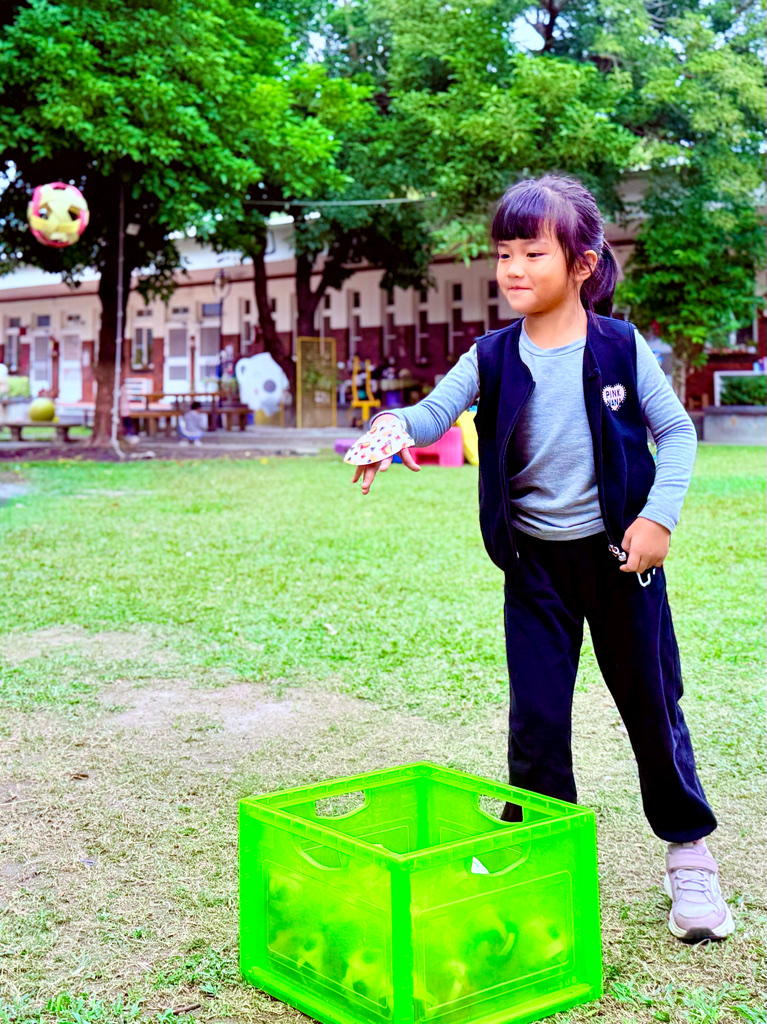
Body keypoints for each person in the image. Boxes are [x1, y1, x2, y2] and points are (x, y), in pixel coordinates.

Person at [348, 175, 733, 944]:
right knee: (536, 721)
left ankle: (688, 853)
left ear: (581, 264)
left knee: (652, 707)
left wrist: (657, 517)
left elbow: (676, 432)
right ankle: (538, 855)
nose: (513, 268)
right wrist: (394, 426)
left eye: (532, 252)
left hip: (620, 563)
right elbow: (434, 411)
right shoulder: (491, 355)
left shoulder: (618, 347)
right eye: (504, 253)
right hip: (534, 572)